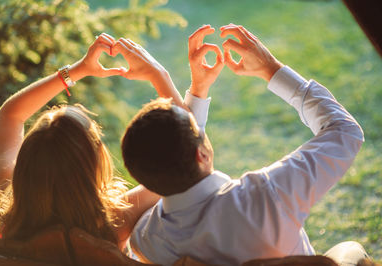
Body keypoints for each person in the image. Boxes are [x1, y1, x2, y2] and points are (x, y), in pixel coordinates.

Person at [121, 24, 366, 265]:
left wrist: (199, 90)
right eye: (195, 126)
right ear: (201, 156)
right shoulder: (269, 195)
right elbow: (346, 131)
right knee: (350, 250)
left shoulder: (147, 240)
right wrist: (271, 69)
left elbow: (181, 153)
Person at [0, 32, 205, 252]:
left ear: (27, 163)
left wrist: (78, 69)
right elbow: (188, 155)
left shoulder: (9, 209)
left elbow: (10, 114)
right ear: (97, 161)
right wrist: (159, 75)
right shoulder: (111, 226)